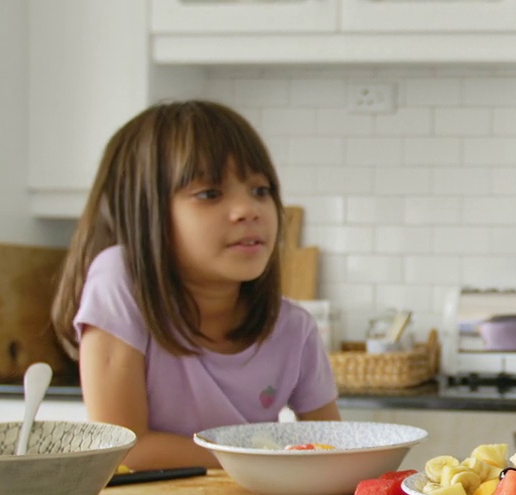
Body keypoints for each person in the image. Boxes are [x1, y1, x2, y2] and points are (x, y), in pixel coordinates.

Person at [51, 100, 340, 471]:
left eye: (261, 190)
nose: (248, 210)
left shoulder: (293, 328)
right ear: (146, 213)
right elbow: (123, 445)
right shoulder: (119, 281)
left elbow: (337, 452)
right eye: (210, 194)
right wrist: (265, 457)